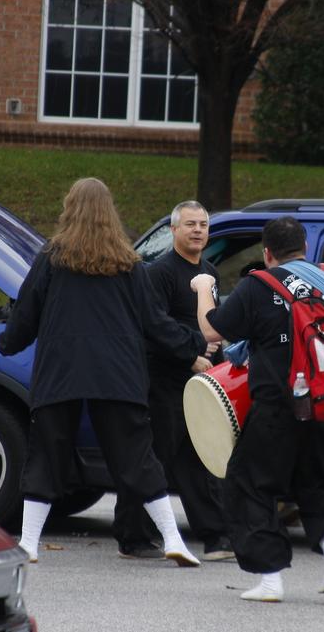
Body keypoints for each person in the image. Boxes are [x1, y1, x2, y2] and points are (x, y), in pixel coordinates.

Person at [0, 178, 203, 567]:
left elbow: (26, 313)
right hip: (118, 373)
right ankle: (173, 538)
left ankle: (28, 544)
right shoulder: (128, 263)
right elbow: (154, 322)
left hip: (62, 371)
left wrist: (7, 343)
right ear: (110, 212)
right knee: (137, 457)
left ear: (69, 207)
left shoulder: (52, 257)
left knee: (46, 454)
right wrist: (193, 345)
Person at [190, 217, 324, 602]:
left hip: (276, 408)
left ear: (267, 253)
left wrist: (202, 288)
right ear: (305, 250)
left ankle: (270, 580)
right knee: (319, 482)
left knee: (250, 483)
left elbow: (212, 330)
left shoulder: (257, 285)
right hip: (323, 405)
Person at [117, 201, 234, 561]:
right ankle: (133, 536)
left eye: (203, 224)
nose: (198, 230)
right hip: (164, 382)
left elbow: (213, 323)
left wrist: (220, 356)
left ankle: (216, 536)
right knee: (155, 457)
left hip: (202, 382)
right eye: (190, 224)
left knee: (200, 456)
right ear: (173, 231)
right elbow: (154, 328)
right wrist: (190, 355)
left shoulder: (210, 272)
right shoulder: (159, 273)